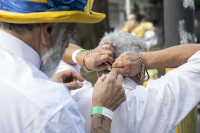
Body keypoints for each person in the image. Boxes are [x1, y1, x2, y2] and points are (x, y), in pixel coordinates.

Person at [0, 1, 126, 133]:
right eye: (69, 32)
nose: (67, 45)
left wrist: (47, 87)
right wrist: (102, 111)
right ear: (49, 29)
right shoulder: (53, 109)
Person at [58, 31, 200, 133]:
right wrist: (145, 60)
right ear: (140, 73)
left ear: (97, 70)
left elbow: (59, 47)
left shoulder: (71, 93)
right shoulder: (154, 100)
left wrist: (86, 57)